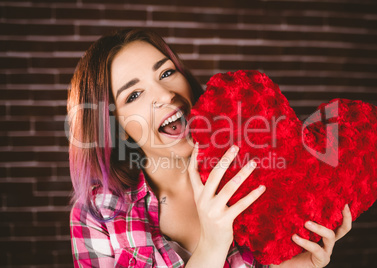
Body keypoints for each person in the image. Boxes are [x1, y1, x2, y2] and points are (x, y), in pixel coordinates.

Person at [67, 28, 352, 268]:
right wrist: (212, 246)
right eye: (134, 94)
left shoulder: (259, 173)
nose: (166, 94)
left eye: (166, 73)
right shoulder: (97, 213)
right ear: (113, 124)